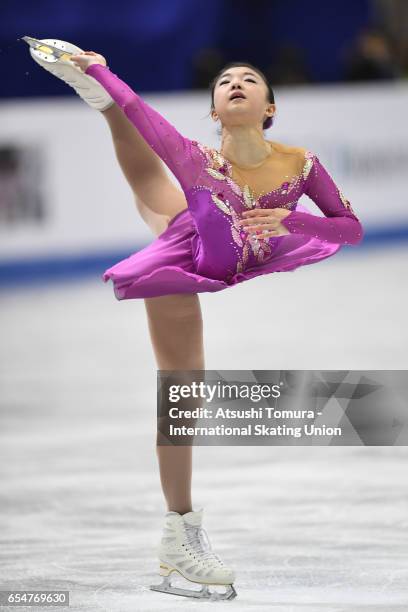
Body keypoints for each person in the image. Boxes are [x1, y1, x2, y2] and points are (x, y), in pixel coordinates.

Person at [27, 38, 364, 601]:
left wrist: (293, 221)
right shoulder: (197, 158)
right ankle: (178, 532)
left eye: (249, 79)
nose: (236, 82)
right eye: (224, 81)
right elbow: (147, 116)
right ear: (213, 112)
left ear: (269, 107)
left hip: (235, 241)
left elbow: (348, 228)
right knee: (183, 390)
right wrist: (101, 72)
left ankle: (101, 104)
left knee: (163, 204)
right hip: (187, 257)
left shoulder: (301, 164)